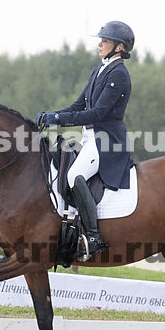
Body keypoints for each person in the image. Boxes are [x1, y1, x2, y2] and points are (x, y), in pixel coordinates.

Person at [36, 20, 134, 258]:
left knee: (75, 175)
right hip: (90, 137)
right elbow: (79, 105)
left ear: (119, 47)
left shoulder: (119, 74)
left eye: (105, 41)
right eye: (100, 41)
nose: (100, 44)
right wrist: (52, 115)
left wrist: (57, 118)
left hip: (107, 140)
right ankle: (70, 223)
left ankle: (93, 237)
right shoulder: (99, 70)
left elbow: (97, 113)